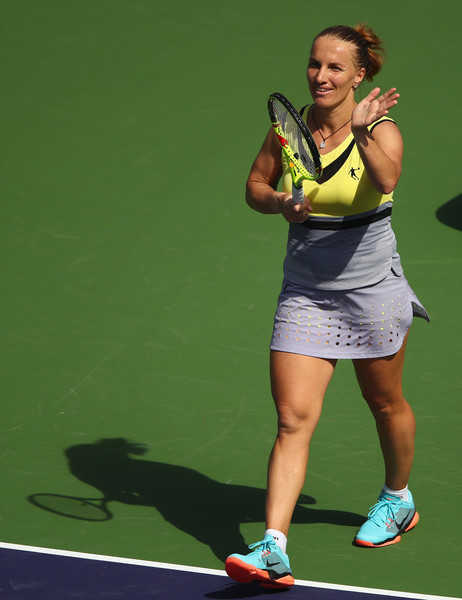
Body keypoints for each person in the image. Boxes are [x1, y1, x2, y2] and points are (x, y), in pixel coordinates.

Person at [225, 23, 429, 589]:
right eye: (315, 64)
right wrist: (278, 204)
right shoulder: (288, 130)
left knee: (385, 404)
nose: (321, 76)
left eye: (336, 68)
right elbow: (254, 185)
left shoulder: (383, 129)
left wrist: (362, 132)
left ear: (360, 75)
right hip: (307, 292)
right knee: (292, 418)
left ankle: (398, 499)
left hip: (372, 292)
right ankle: (273, 546)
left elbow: (387, 179)